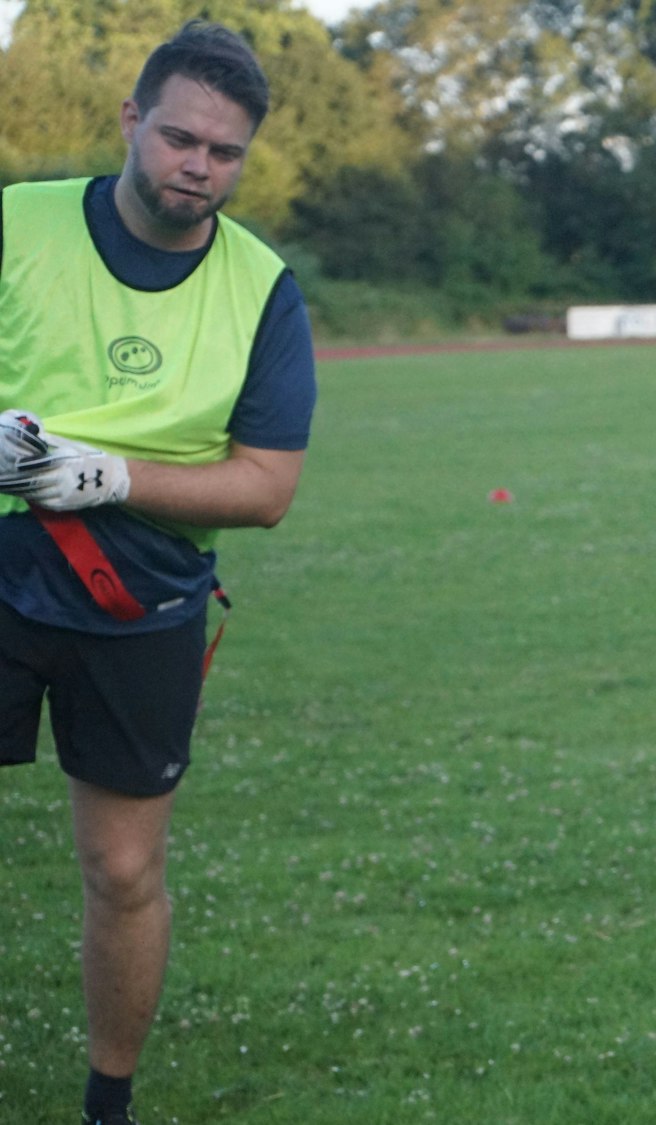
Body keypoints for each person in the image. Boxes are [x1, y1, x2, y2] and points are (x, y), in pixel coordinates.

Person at [0, 21, 317, 1125]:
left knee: (123, 871)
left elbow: (268, 486)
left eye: (224, 154)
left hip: (138, 601)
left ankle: (107, 1104)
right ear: (133, 121)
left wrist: (105, 475)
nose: (199, 167)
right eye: (180, 138)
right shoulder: (17, 224)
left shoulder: (262, 287)